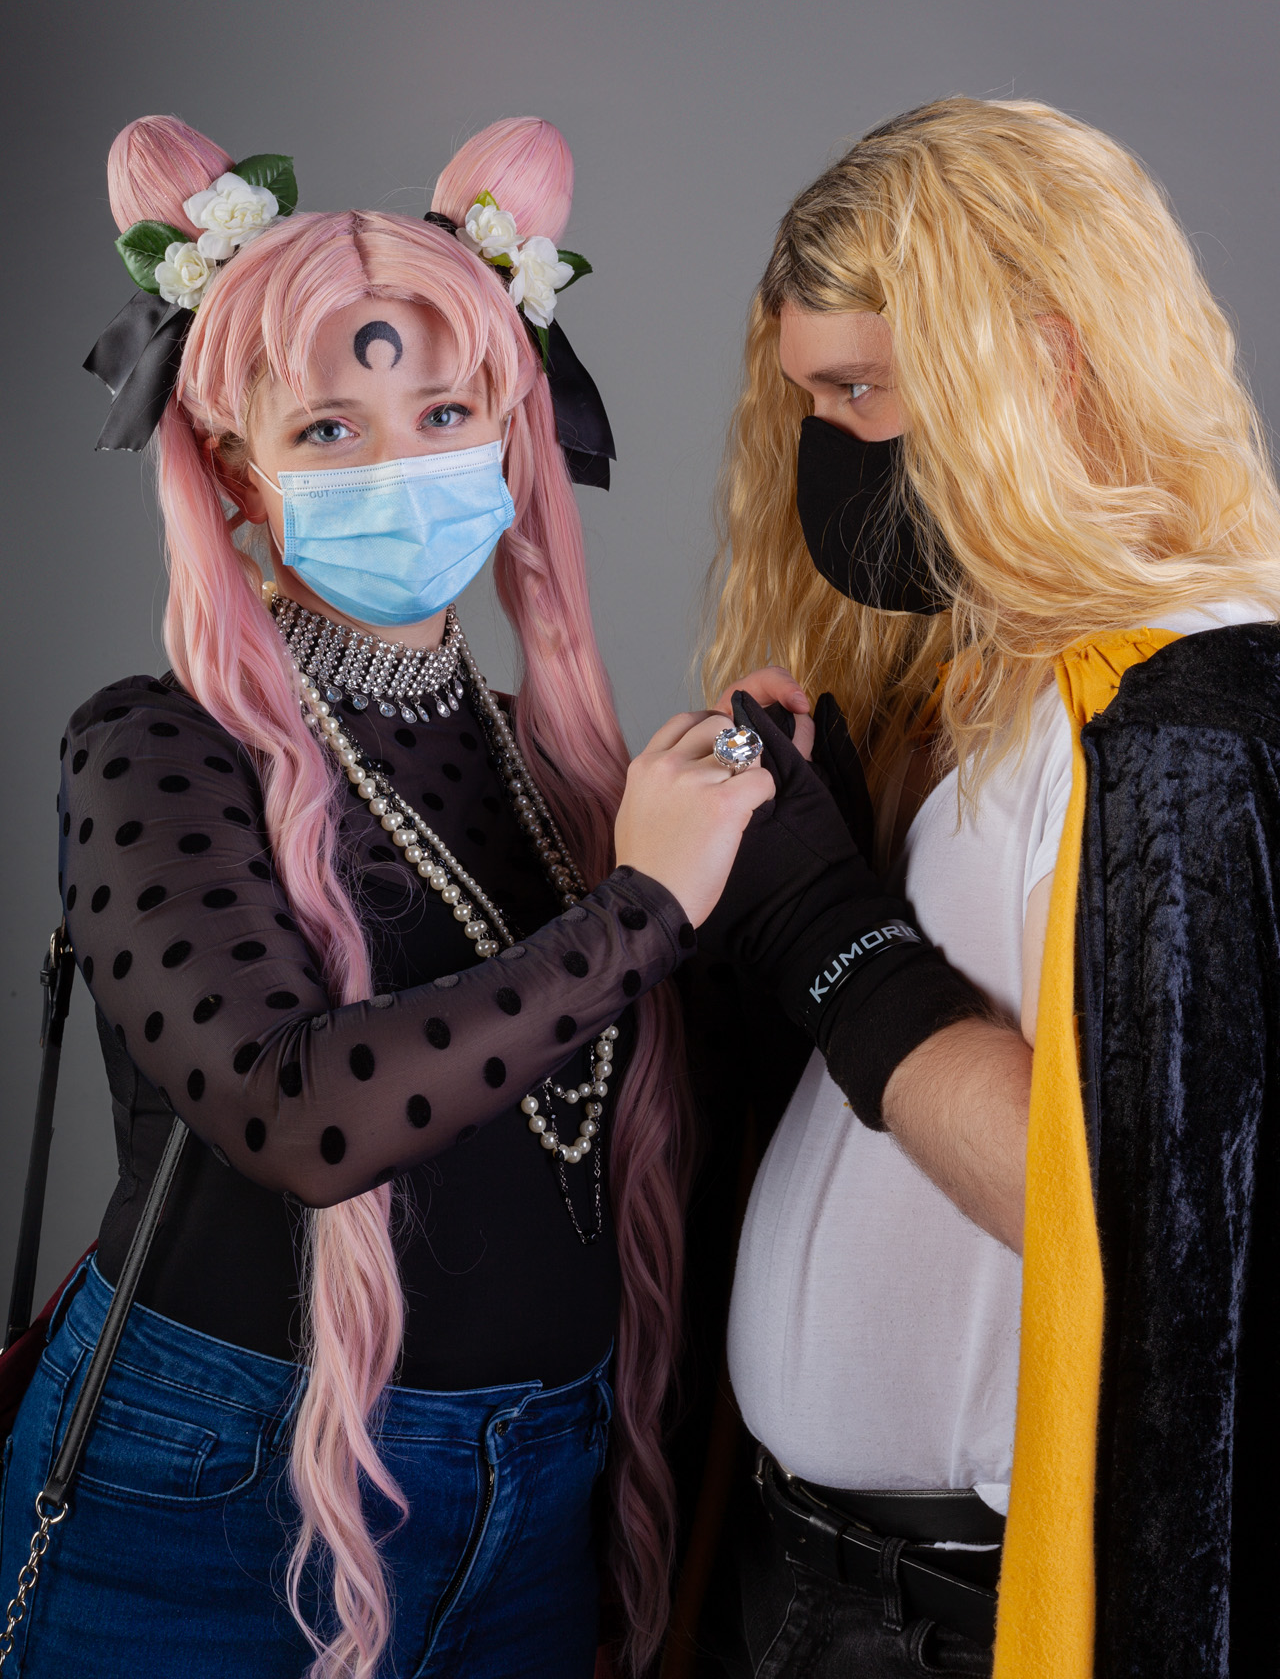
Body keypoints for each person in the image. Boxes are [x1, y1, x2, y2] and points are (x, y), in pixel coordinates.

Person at [0, 112, 772, 1679]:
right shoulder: (154, 751)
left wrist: (778, 811)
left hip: (542, 1492)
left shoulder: (565, 773)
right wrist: (643, 907)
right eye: (331, 428)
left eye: (444, 411)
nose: (404, 465)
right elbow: (296, 1113)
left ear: (511, 429)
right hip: (213, 1495)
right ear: (235, 468)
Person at [687, 97, 1280, 1678]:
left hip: (956, 1616)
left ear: (1043, 360)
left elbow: (1133, 1207)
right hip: (799, 1574)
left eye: (862, 390)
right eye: (810, 397)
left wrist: (828, 931)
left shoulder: (1188, 720)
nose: (830, 442)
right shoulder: (990, 682)